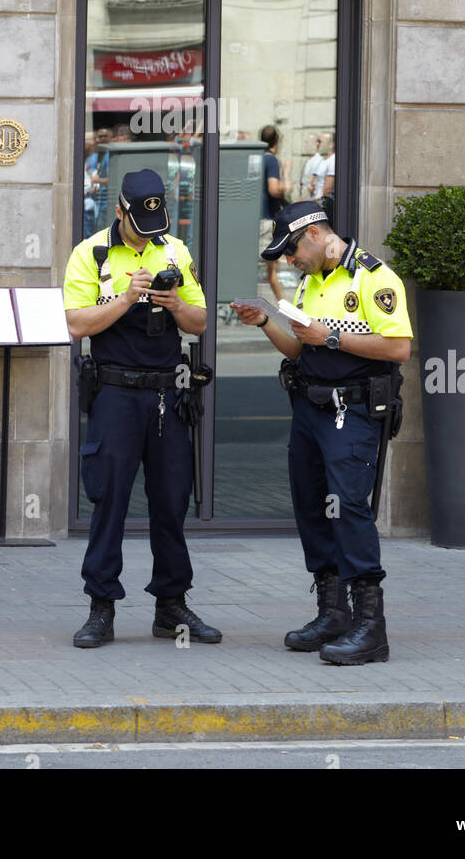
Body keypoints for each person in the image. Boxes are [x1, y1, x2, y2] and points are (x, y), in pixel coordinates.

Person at [232, 201, 412, 665]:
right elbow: (299, 348)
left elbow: (398, 346)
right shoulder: (311, 283)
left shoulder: (373, 278)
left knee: (350, 509)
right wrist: (267, 319)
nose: (290, 261)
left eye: (291, 250)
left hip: (350, 412)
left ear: (314, 234)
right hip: (310, 407)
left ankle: (371, 626)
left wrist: (330, 337)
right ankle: (333, 612)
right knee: (312, 507)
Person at [63, 168, 221, 649]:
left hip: (167, 394)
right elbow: (76, 324)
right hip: (115, 392)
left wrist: (172, 303)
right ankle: (101, 607)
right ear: (120, 211)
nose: (148, 236)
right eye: (138, 226)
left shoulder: (174, 250)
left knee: (171, 503)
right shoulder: (90, 254)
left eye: (156, 225)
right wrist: (128, 298)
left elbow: (201, 322)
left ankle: (171, 606)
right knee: (108, 501)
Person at [260, 124, 291, 302]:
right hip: (266, 220)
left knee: (268, 267)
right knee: (270, 267)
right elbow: (275, 190)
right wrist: (286, 174)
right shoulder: (271, 160)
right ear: (277, 140)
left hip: (257, 217)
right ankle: (284, 304)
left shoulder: (259, 157)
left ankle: (282, 302)